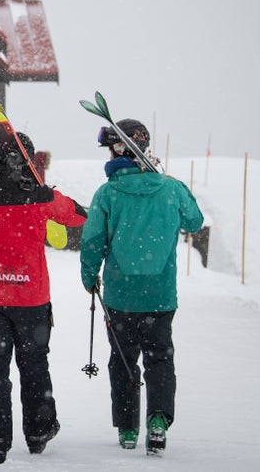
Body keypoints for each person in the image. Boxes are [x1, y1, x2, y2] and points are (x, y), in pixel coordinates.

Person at [0, 131, 87, 464]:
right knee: (35, 365)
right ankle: (39, 431)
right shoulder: (41, 197)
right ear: (30, 161)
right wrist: (43, 188)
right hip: (31, 301)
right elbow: (78, 215)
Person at [79, 119, 204, 456]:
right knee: (159, 358)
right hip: (160, 296)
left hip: (120, 296)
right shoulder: (170, 189)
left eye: (110, 148)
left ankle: (128, 428)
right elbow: (195, 220)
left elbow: (92, 241)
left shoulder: (107, 193)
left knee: (123, 360)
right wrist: (170, 181)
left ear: (119, 150)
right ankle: (158, 420)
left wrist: (89, 277)